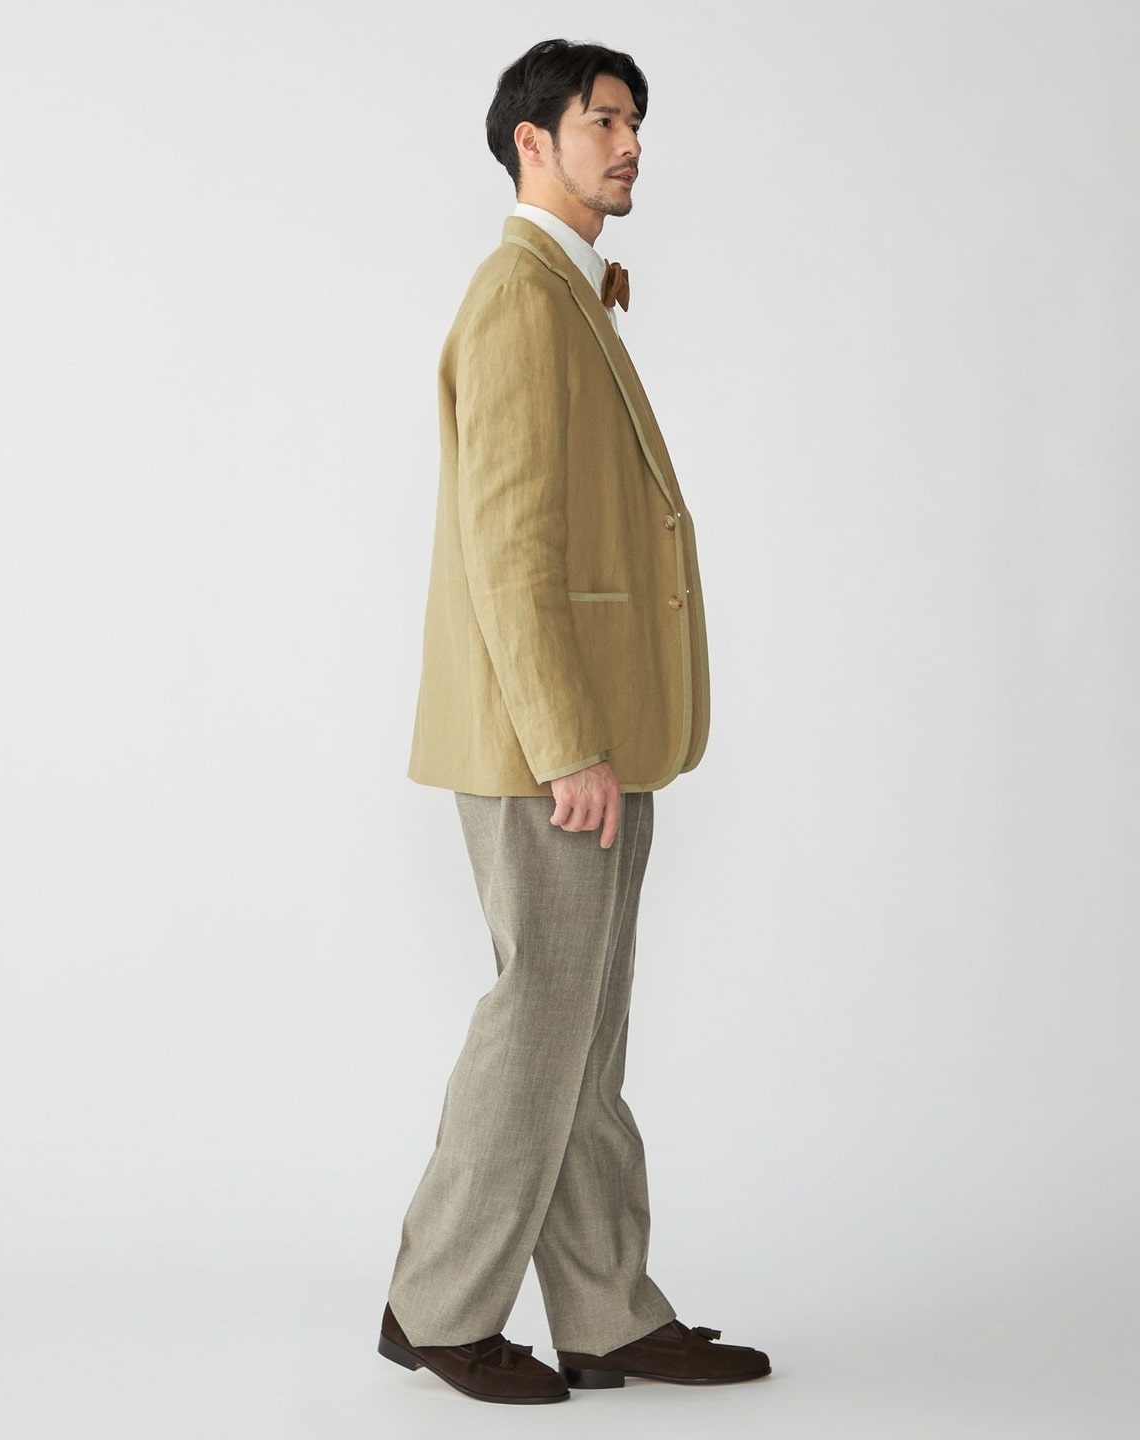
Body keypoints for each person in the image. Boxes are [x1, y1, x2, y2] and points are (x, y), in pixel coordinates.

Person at [378, 38, 771, 1405]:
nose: (632, 143)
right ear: (532, 141)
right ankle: (437, 1305)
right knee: (540, 1022)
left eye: (638, 122)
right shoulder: (518, 298)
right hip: (546, 747)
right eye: (605, 120)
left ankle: (605, 1312)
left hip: (590, 734)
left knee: (584, 1035)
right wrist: (565, 745)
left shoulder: (565, 295)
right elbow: (509, 546)